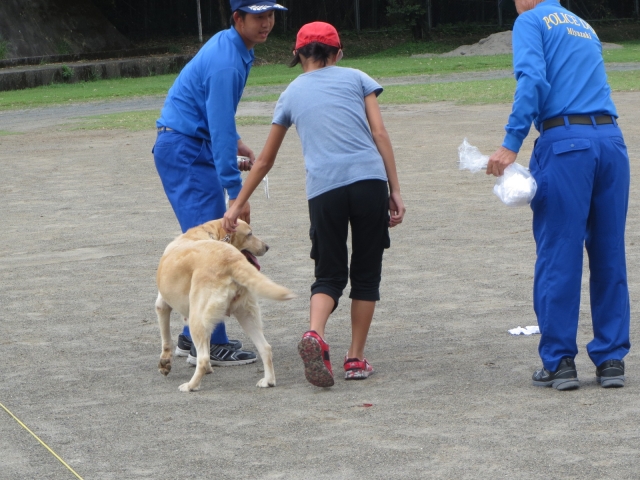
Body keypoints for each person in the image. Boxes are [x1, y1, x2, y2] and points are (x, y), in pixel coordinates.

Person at [222, 21, 406, 387]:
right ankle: (355, 359)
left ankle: (315, 334)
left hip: (325, 190)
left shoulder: (290, 93)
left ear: (297, 56)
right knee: (366, 273)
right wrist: (395, 189)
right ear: (337, 54)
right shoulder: (357, 78)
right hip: (369, 182)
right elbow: (379, 133)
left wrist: (237, 203)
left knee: (329, 273)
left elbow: (265, 160)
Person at [487, 0, 630, 390]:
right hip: (610, 142)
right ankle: (611, 359)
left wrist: (511, 142)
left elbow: (532, 78)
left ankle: (560, 362)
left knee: (558, 254)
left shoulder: (530, 21)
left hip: (567, 143)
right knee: (609, 253)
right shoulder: (582, 23)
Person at [152, 0, 287, 367]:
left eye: (271, 15)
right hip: (185, 149)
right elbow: (220, 127)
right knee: (212, 244)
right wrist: (236, 195)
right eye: (258, 17)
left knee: (210, 241)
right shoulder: (229, 59)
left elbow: (218, 116)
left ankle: (188, 337)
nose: (267, 24)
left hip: (190, 144)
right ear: (237, 18)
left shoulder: (233, 46)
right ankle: (207, 341)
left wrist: (237, 144)